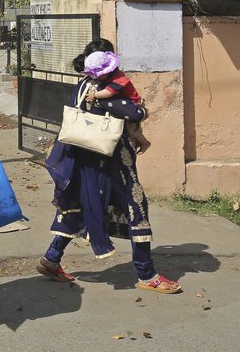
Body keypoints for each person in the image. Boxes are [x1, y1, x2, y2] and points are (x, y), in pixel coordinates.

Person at [37, 38, 181, 294]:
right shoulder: (106, 88)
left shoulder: (83, 86)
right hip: (114, 162)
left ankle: (52, 257)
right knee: (137, 207)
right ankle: (146, 273)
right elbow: (134, 114)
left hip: (85, 160)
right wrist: (143, 111)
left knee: (83, 207)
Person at [82, 50, 150, 153]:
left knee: (132, 129)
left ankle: (144, 142)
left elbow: (109, 93)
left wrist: (94, 95)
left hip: (133, 105)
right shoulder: (111, 77)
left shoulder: (119, 79)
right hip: (124, 104)